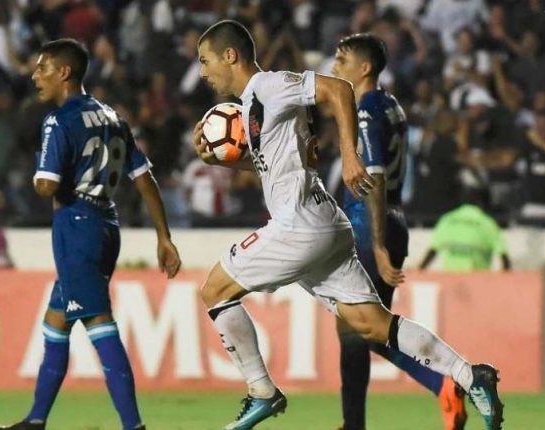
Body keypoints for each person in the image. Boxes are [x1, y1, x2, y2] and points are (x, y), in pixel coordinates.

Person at [192, 20, 503, 430]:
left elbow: (337, 89)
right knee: (371, 324)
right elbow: (287, 161)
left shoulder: (267, 86)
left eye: (205, 61)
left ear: (230, 56)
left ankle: (261, 392)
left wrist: (351, 155)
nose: (202, 72)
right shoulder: (255, 104)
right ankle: (470, 375)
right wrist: (221, 159)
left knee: (214, 291)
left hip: (298, 224)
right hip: (325, 222)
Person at [0, 38, 181, 430]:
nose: (35, 75)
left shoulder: (59, 120)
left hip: (77, 226)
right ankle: (36, 420)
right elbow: (144, 177)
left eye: (42, 68)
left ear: (63, 73)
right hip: (107, 226)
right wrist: (163, 236)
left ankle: (134, 426)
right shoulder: (112, 116)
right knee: (56, 322)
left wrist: (38, 171)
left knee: (98, 324)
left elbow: (46, 185)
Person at [330, 34, 467, 430]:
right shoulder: (393, 106)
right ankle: (436, 386)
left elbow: (372, 176)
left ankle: (436, 384)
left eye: (342, 60)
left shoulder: (367, 110)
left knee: (357, 328)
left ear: (364, 68)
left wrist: (375, 243)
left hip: (367, 227)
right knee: (369, 331)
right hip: (394, 221)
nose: (334, 67)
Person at [420, 190, 511, 271]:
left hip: (451, 278)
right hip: (477, 281)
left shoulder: (447, 219)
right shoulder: (487, 222)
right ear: (482, 203)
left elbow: (432, 251)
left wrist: (419, 270)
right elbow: (504, 257)